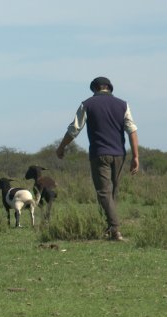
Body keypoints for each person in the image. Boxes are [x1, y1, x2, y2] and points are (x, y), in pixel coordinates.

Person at [56, 77, 139, 241]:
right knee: (112, 192)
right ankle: (110, 229)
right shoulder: (123, 104)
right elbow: (132, 130)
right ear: (109, 88)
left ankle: (115, 230)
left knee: (103, 192)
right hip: (119, 154)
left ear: (94, 88)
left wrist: (62, 147)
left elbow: (74, 129)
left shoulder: (87, 104)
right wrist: (135, 156)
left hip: (99, 154)